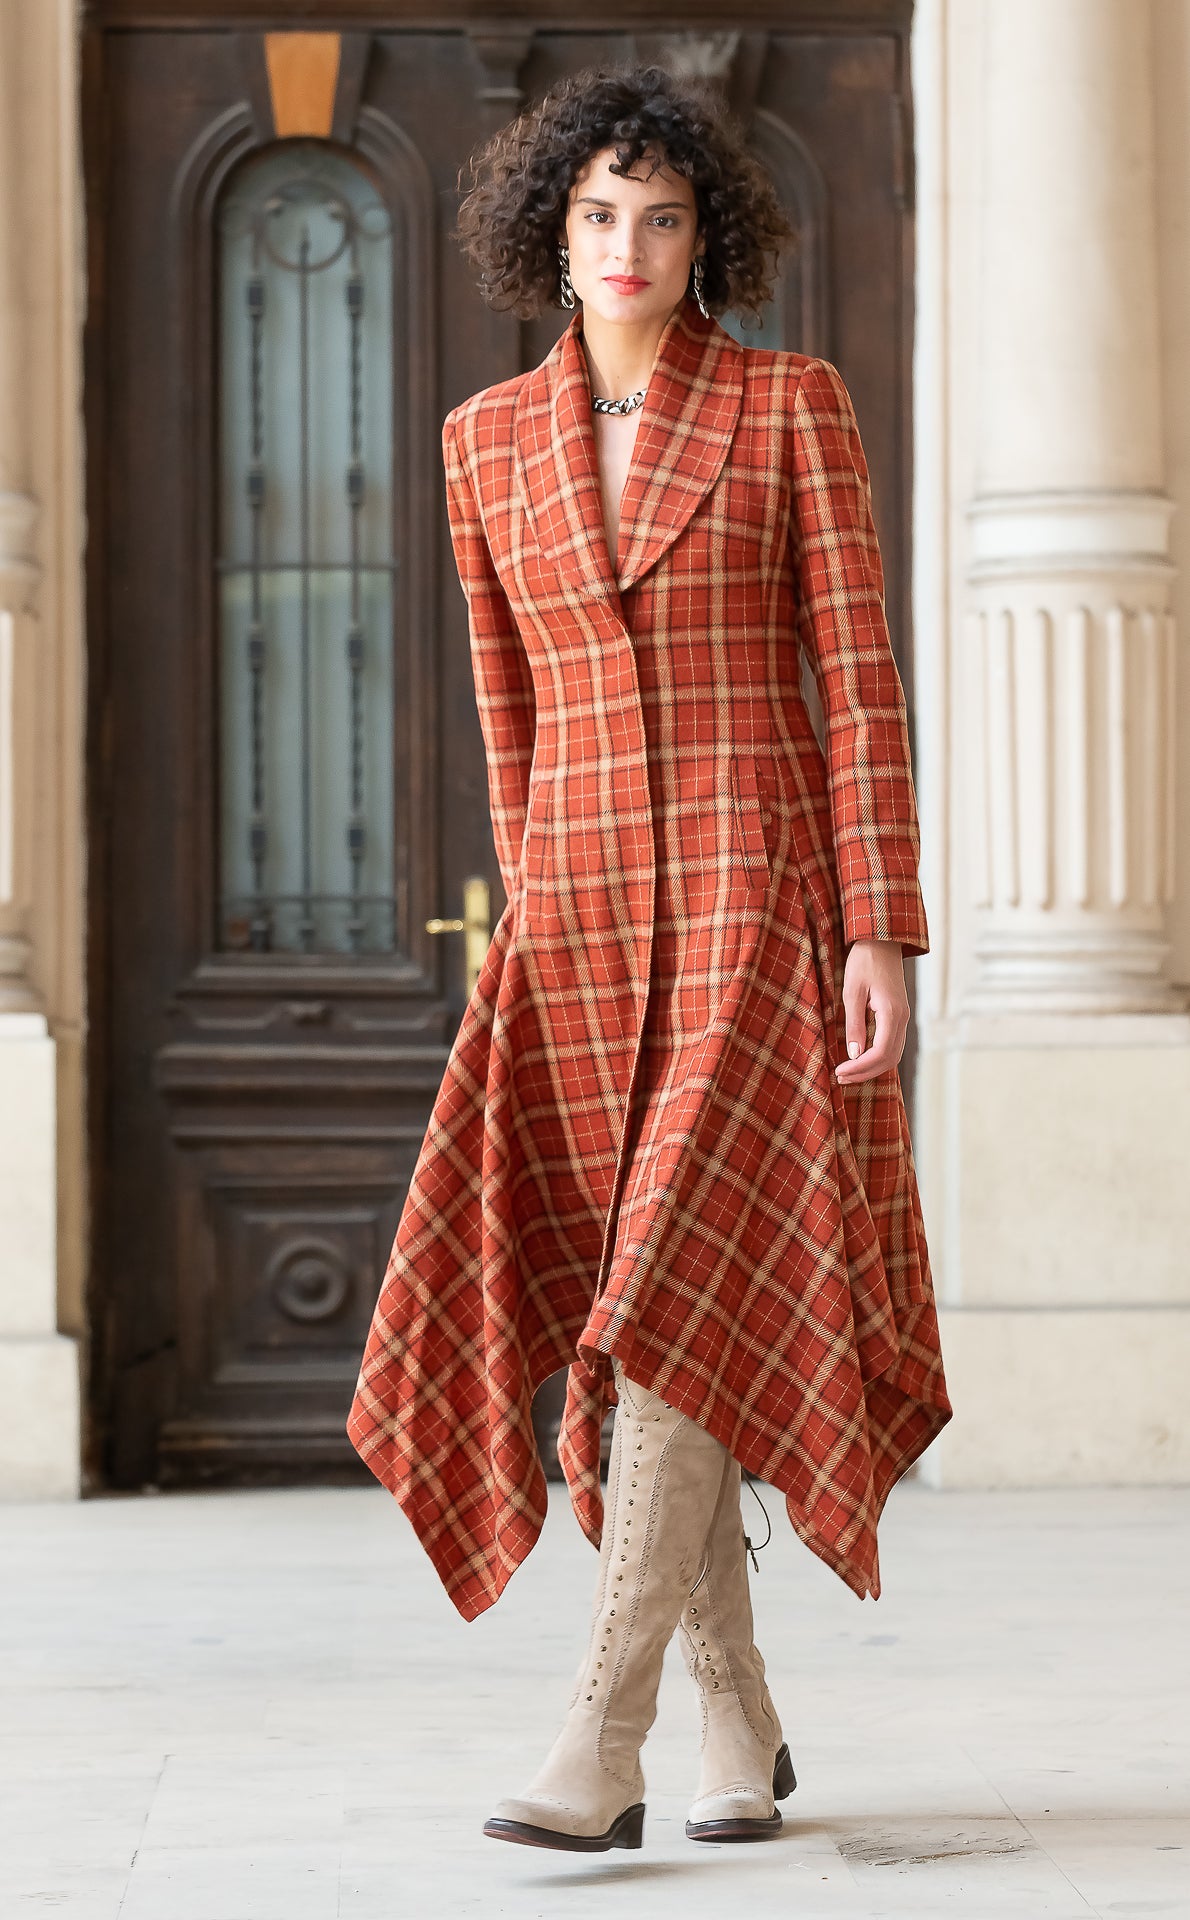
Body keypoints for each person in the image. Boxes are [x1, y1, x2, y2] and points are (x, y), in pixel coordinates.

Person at [348, 63, 952, 1854]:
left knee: (671, 1274)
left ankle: (596, 1740)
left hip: (759, 905)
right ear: (551, 232)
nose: (627, 246)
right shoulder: (480, 444)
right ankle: (733, 1713)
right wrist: (526, 919)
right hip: (584, 919)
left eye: (662, 217)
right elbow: (508, 720)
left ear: (708, 241)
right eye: (599, 214)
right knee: (643, 1305)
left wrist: (876, 923)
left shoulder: (788, 409)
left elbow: (859, 687)